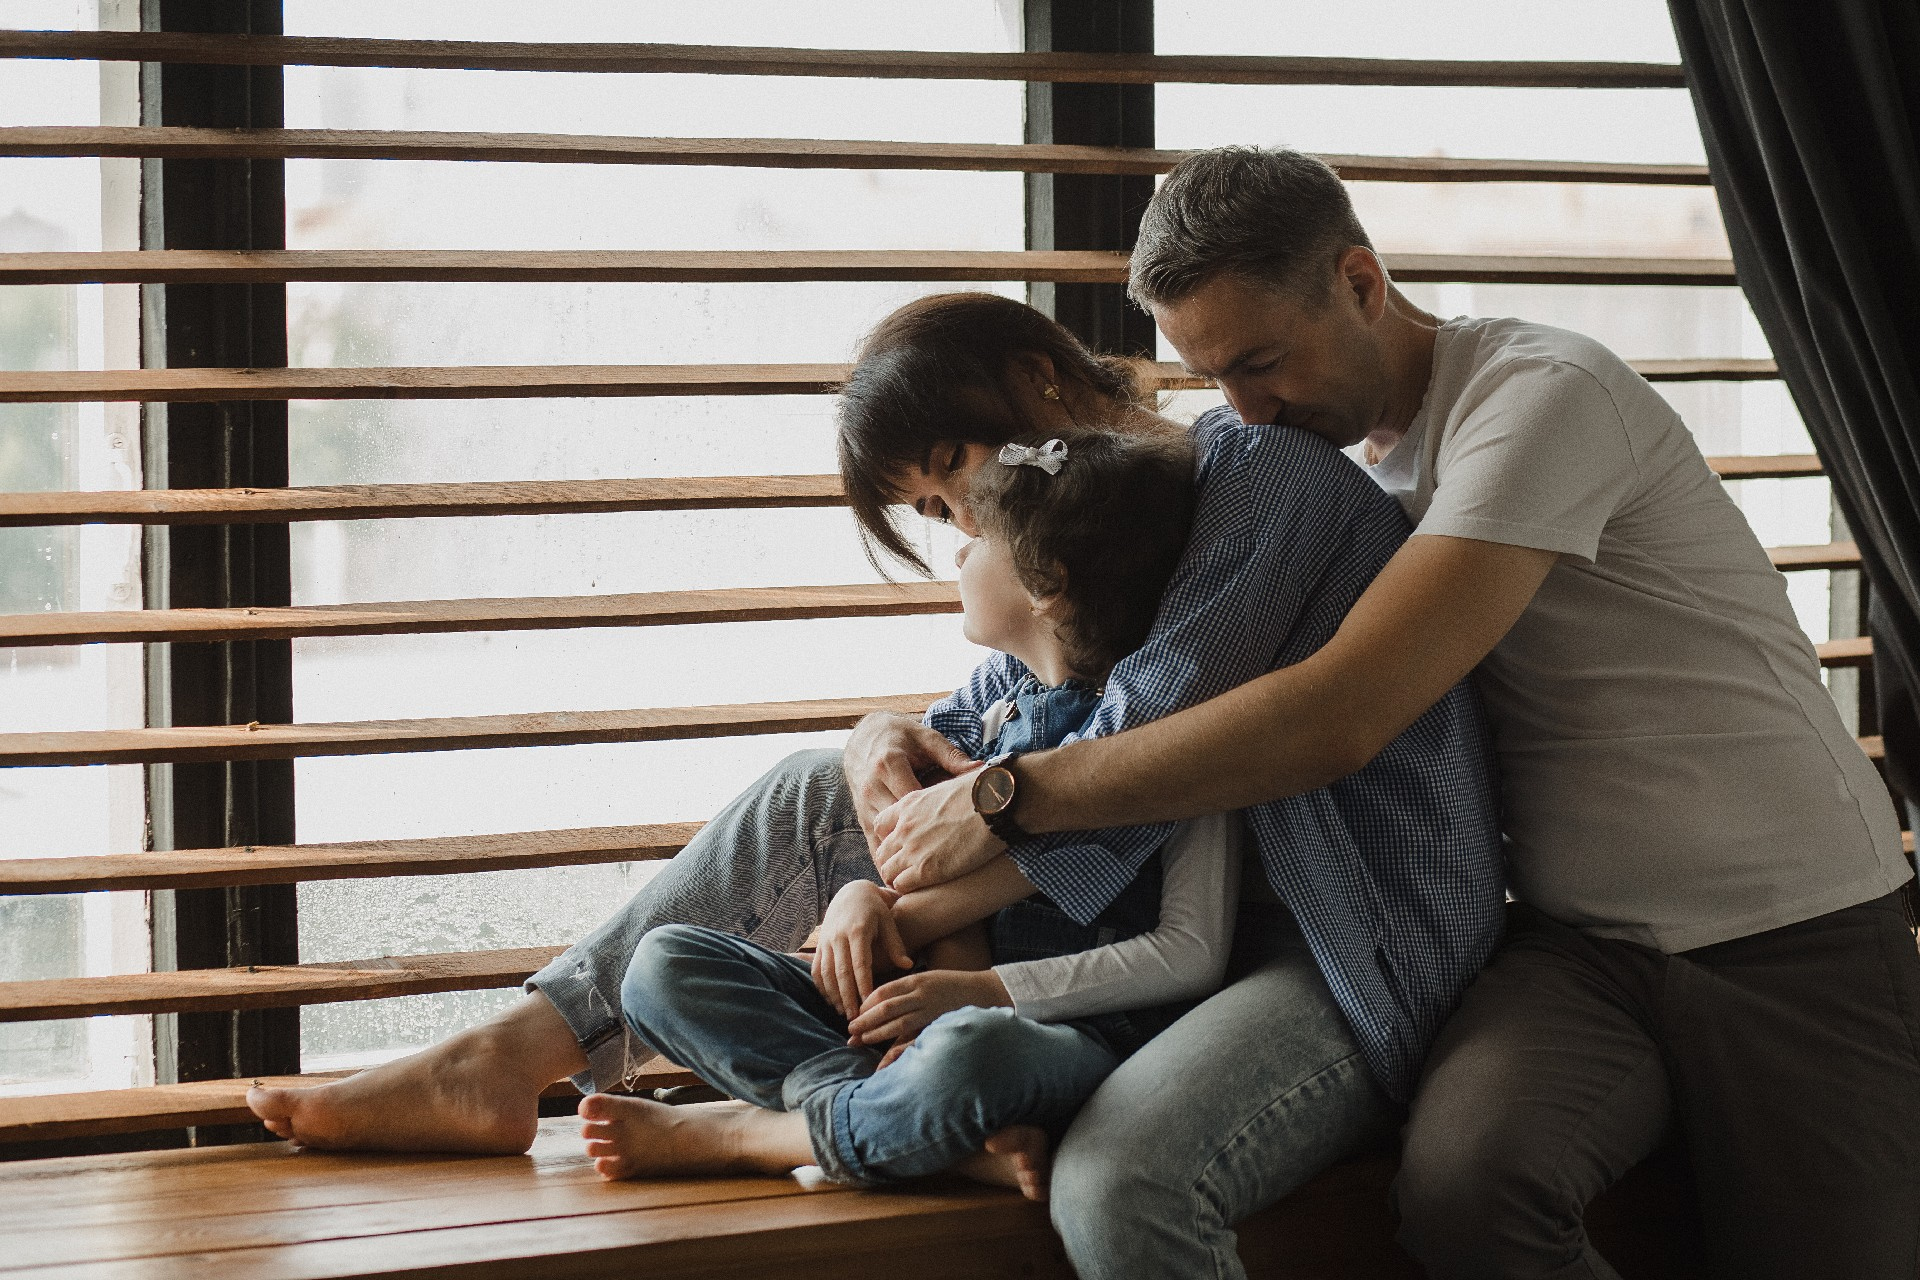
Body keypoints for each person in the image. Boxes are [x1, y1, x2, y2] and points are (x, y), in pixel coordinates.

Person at [248, 290, 1504, 1280]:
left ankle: (809, 1126)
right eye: (934, 505)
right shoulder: (1100, 533)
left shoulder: (1256, 481)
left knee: (1115, 1170)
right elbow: (1012, 722)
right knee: (814, 788)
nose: (961, 521)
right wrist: (876, 738)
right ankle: (510, 1052)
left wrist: (897, 889)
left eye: (953, 468)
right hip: (1163, 905)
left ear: (1042, 389)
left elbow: (1136, 753)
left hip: (1333, 936)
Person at [870, 147, 1920, 1280]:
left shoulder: (1538, 399)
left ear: (1361, 283)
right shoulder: (1303, 472)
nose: (1246, 406)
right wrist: (883, 731)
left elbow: (1339, 715)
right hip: (1580, 945)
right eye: (1215, 373)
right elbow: (1118, 656)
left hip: (1792, 925)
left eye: (1262, 360)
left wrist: (1011, 796)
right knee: (1469, 1193)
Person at [578, 425, 1246, 1193]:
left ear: (1045, 584)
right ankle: (895, 1122)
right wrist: (865, 897)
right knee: (659, 969)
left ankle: (753, 1134)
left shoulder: (1177, 742)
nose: (959, 551)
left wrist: (982, 995)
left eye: (982, 537)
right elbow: (930, 870)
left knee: (969, 1057)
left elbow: (1190, 953)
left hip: (1063, 1035)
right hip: (921, 1011)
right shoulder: (989, 716)